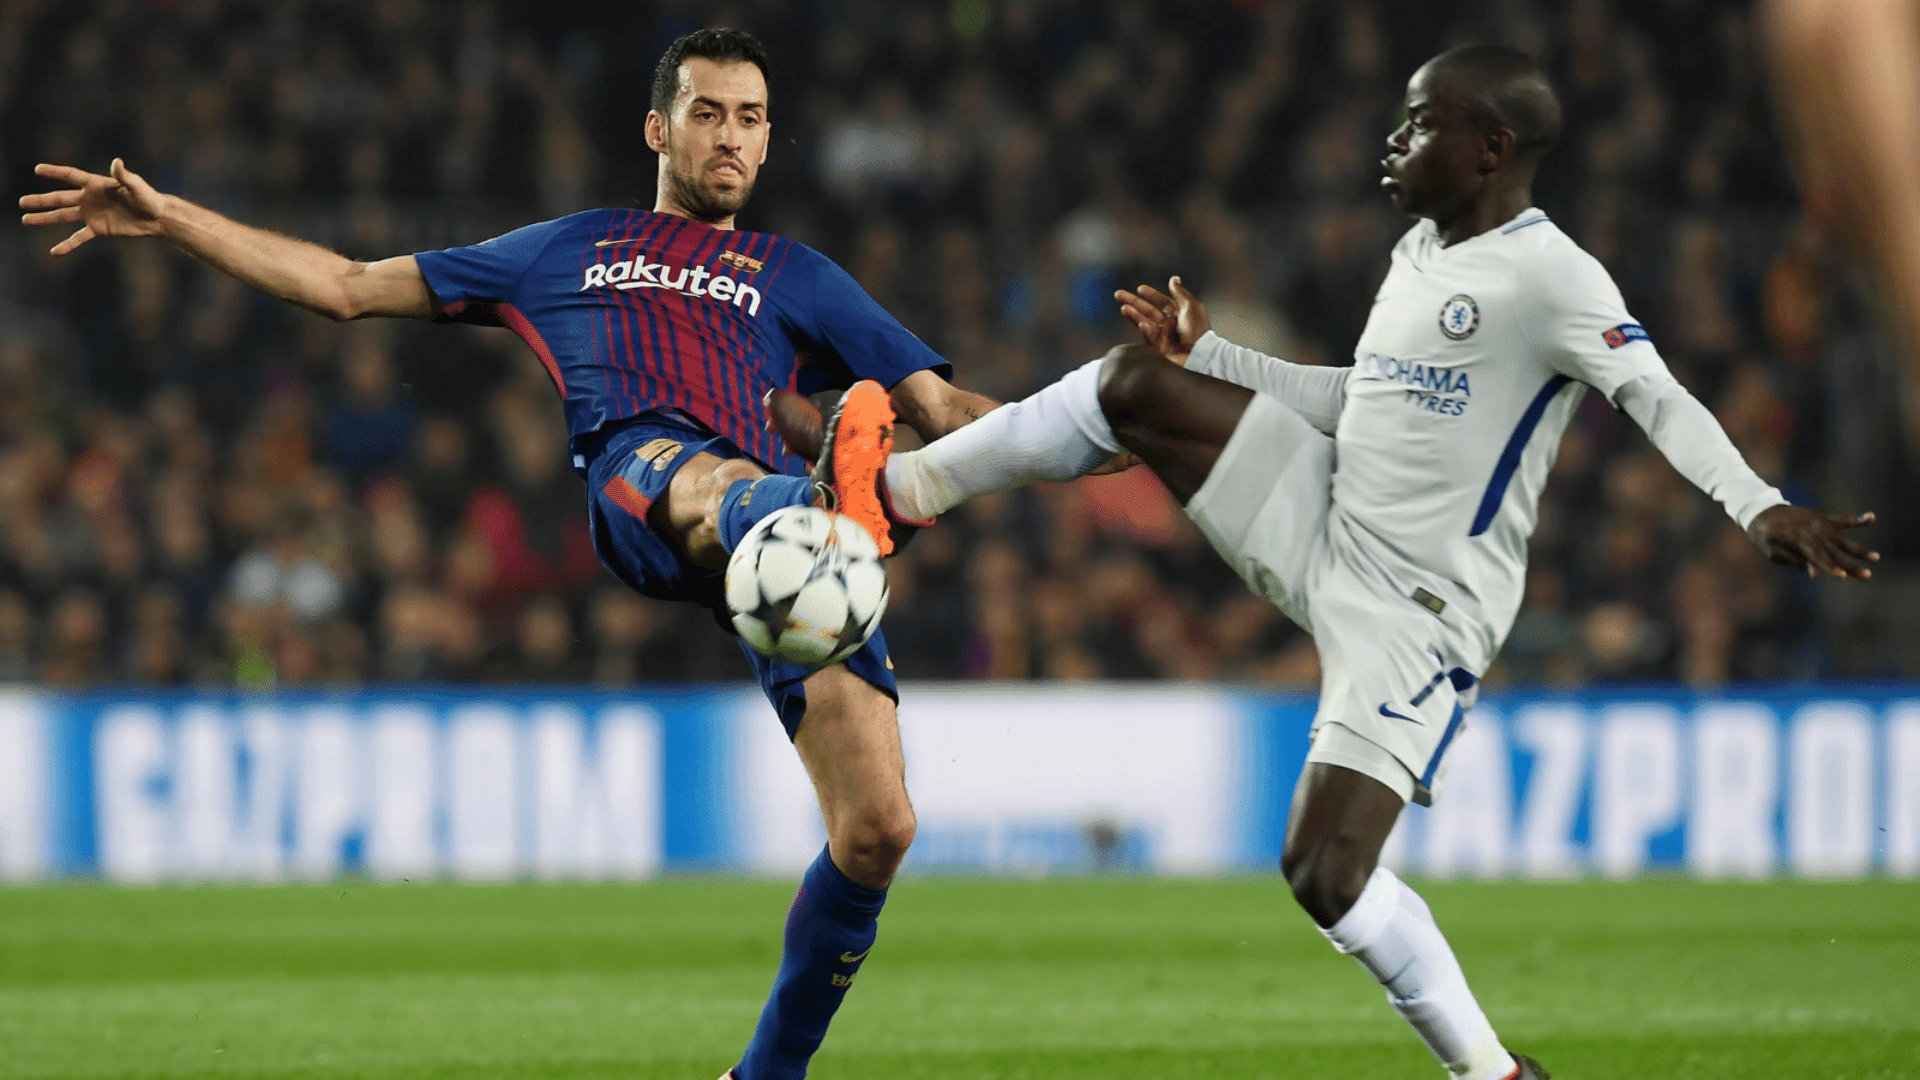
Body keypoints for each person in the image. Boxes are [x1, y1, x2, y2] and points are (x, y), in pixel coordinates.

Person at [774, 45, 1878, 1080]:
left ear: (1490, 149)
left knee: (1325, 876)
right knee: (1133, 387)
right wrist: (1216, 358)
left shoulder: (1555, 278)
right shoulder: (1420, 254)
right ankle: (898, 496)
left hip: (1418, 609)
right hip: (1322, 510)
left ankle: (1493, 1071)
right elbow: (1364, 402)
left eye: (1419, 124)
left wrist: (1760, 506)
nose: (1392, 144)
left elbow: (1657, 395)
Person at [20, 27, 999, 1080]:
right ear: (657, 129)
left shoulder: (797, 276)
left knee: (878, 832)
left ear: (768, 143)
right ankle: (818, 498)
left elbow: (951, 411)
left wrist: (1129, 417)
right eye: (708, 113)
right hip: (650, 478)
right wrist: (173, 222)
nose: (730, 136)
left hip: (793, 574)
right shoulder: (566, 250)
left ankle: (762, 1077)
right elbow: (346, 284)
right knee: (710, 479)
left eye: (751, 119)